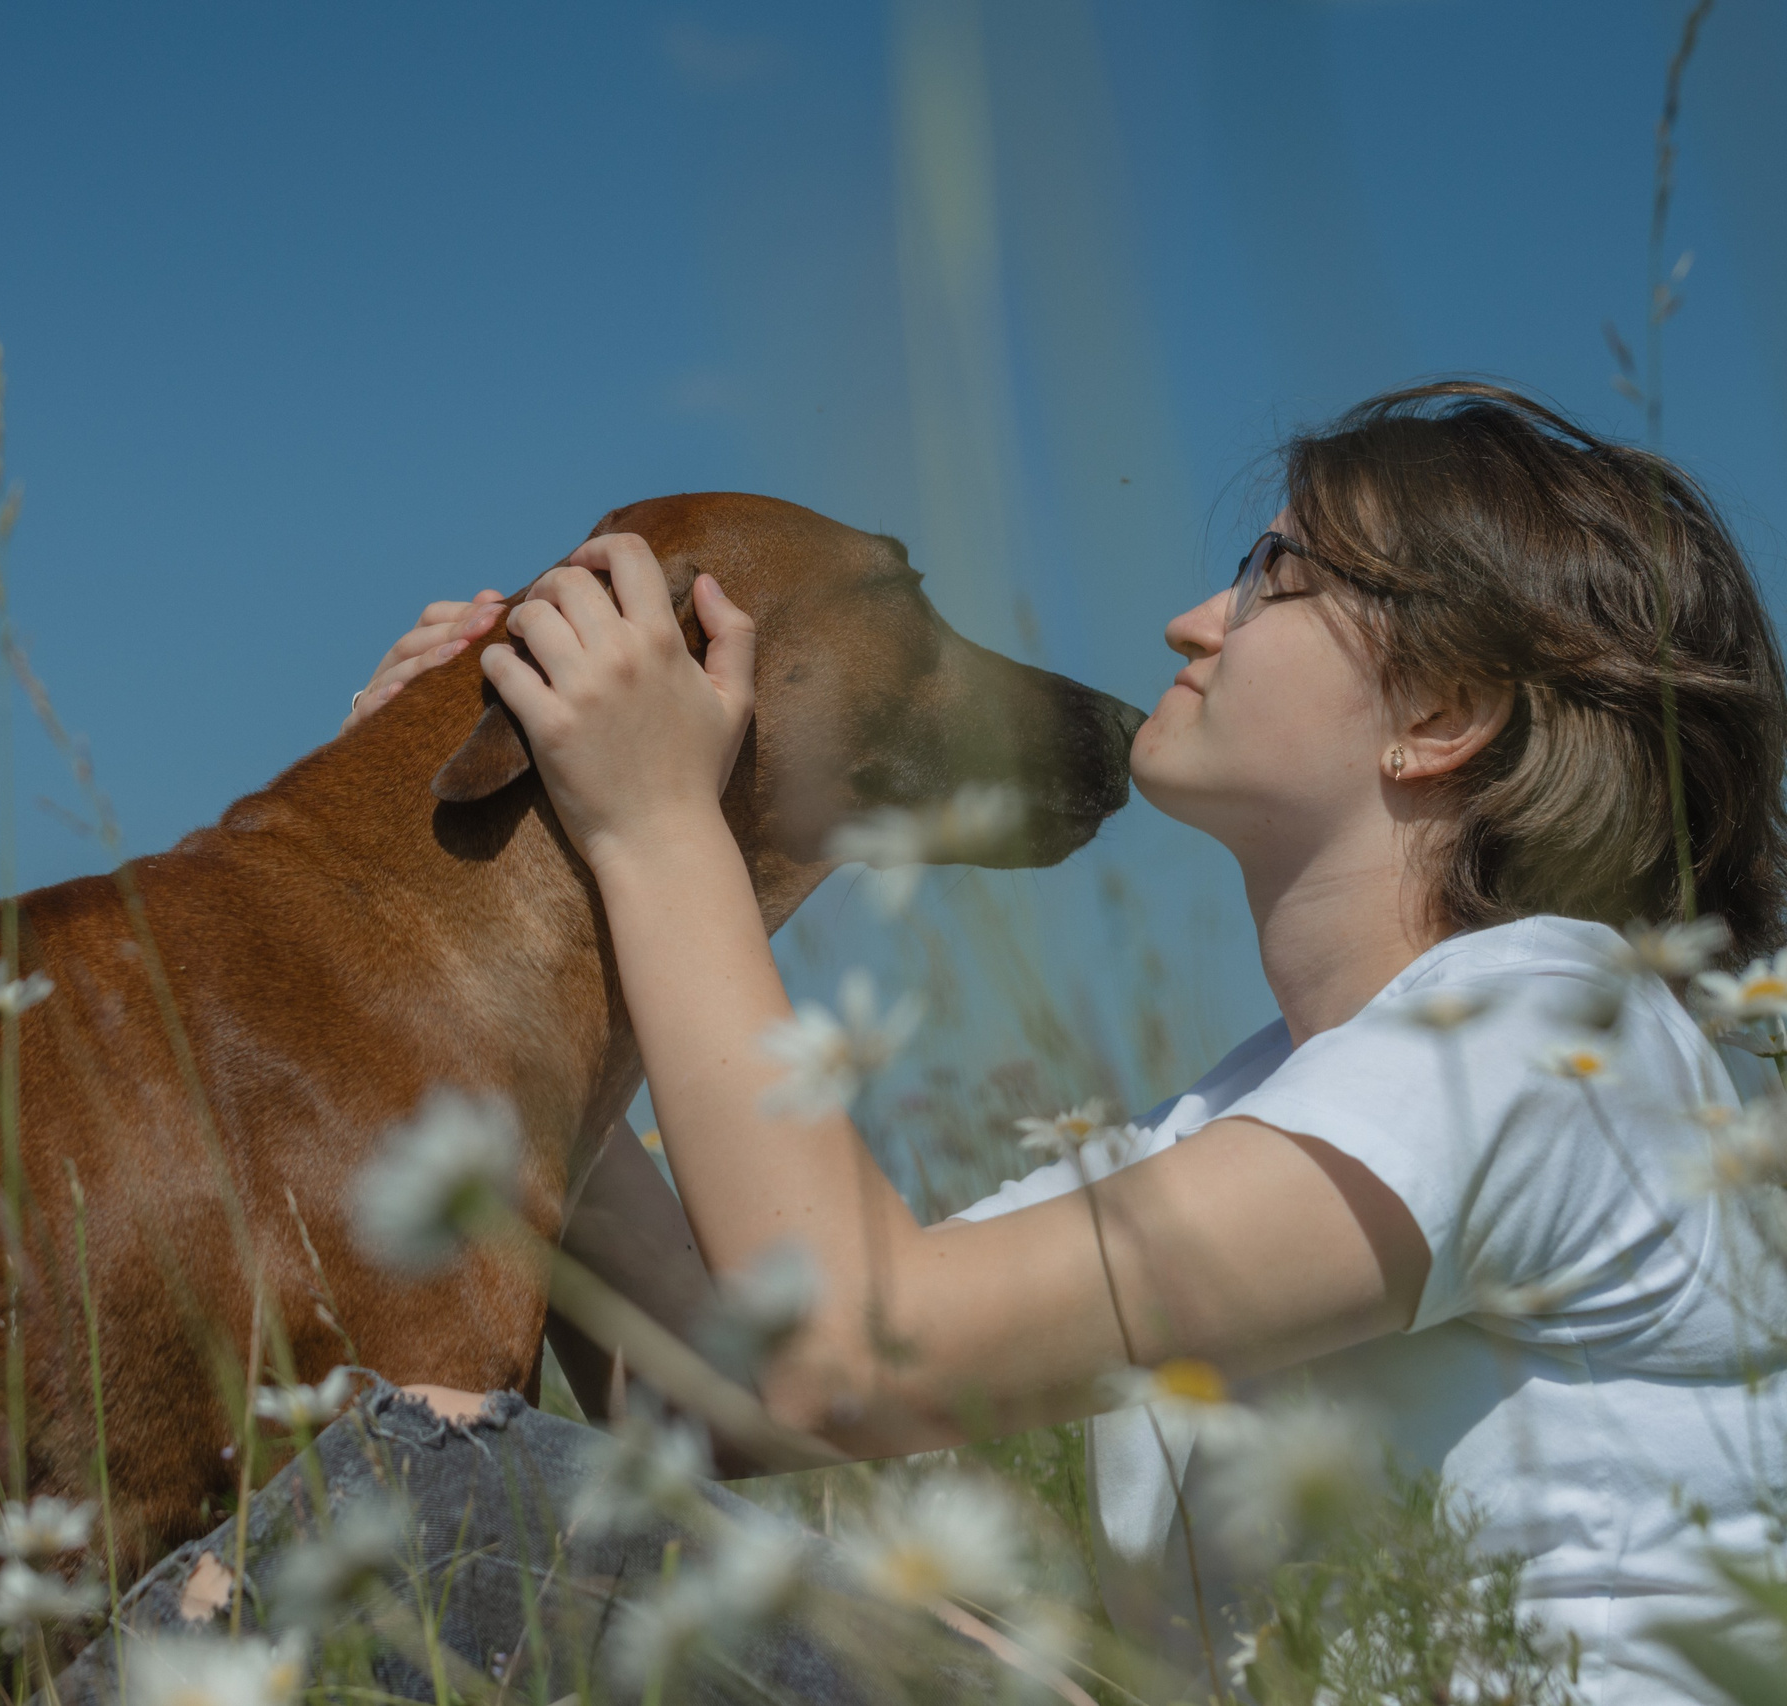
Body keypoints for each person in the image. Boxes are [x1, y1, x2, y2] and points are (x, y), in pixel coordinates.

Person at [333, 382, 1787, 1702]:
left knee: (426, 1501)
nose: (1192, 623)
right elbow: (713, 1398)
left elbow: (852, 1352)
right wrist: (504, 883)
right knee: (456, 1482)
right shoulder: (1242, 1113)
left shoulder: (1543, 1036)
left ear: (1442, 710)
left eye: (1271, 577)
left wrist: (657, 824)